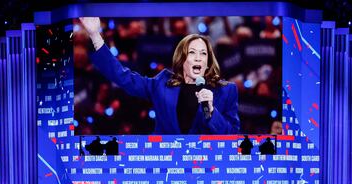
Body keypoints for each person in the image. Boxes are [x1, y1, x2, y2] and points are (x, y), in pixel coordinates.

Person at [79, 17, 240, 135]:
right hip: (166, 164)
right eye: (192, 52)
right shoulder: (162, 84)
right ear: (182, 59)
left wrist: (211, 112)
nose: (198, 58)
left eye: (203, 53)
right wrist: (95, 37)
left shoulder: (226, 91)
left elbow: (233, 139)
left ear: (208, 61)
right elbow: (123, 77)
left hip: (206, 166)